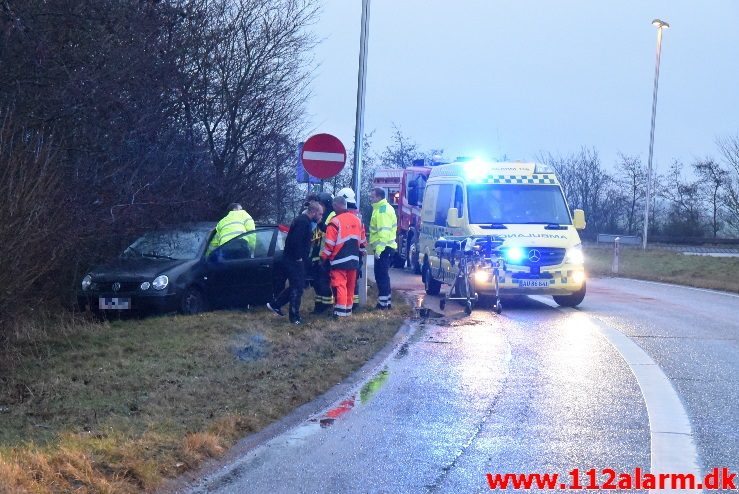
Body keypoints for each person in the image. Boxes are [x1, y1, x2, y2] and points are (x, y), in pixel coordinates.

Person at [268, 201, 324, 325]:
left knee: (297, 286)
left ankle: (275, 304)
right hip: (294, 260)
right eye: (320, 214)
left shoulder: (303, 221)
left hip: (293, 259)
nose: (321, 217)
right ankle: (294, 317)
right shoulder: (303, 222)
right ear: (313, 212)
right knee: (297, 288)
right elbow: (296, 241)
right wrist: (299, 257)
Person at [320, 196, 366, 318]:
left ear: (335, 206)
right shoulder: (358, 220)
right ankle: (347, 312)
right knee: (350, 286)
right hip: (354, 259)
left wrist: (323, 258)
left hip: (338, 260)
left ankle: (340, 314)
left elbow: (329, 244)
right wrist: (360, 255)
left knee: (340, 285)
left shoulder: (334, 222)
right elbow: (362, 243)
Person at [336, 187, 365, 308]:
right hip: (356, 253)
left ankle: (342, 309)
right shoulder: (358, 216)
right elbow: (362, 239)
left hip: (341, 254)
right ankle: (353, 305)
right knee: (353, 281)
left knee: (342, 283)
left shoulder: (339, 216)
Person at [369, 187, 397, 310]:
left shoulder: (382, 210)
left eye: (373, 196)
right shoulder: (383, 208)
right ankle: (387, 302)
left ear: (379, 197)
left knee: (381, 275)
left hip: (383, 248)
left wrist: (379, 251)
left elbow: (383, 233)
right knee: (383, 275)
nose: (371, 198)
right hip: (386, 248)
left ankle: (382, 304)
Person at [309, 192, 335, 314]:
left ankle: (326, 305)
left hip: (326, 256)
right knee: (316, 282)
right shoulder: (321, 216)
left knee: (323, 282)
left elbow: (327, 232)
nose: (319, 207)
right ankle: (319, 305)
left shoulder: (331, 216)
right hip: (317, 254)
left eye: (321, 204)